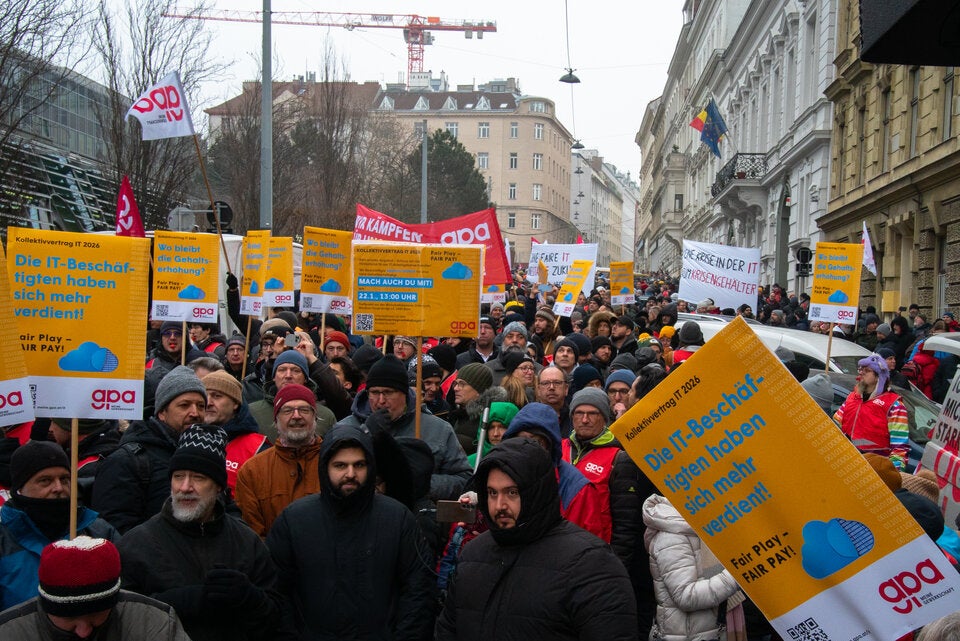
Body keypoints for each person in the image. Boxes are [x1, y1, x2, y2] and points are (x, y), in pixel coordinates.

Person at [435, 438, 638, 641]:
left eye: (512, 493)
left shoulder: (591, 564)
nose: (499, 505)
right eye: (492, 493)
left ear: (536, 491)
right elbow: (447, 630)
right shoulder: (473, 554)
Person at [267, 423, 437, 640]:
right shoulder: (294, 520)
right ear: (325, 467)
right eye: (340, 465)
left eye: (359, 465)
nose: (350, 474)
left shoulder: (398, 519)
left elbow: (418, 592)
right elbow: (278, 592)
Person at [119, 425, 284, 641]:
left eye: (198, 478)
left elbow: (274, 618)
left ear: (218, 487)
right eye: (178, 476)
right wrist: (173, 603)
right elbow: (118, 620)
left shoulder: (246, 542)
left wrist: (250, 598)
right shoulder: (137, 543)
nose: (185, 487)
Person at [0, 441, 120, 610]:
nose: (58, 488)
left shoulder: (98, 530)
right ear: (21, 487)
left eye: (64, 479)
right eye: (45, 480)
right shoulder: (4, 537)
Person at [334, 355, 472, 501]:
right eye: (374, 393)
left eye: (388, 392)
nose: (381, 401)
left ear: (404, 394)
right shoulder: (345, 428)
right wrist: (365, 435)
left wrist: (422, 484)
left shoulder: (438, 429)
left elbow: (464, 480)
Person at [0, 536, 191, 640]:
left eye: (95, 616)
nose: (84, 631)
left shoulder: (155, 624)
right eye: (69, 617)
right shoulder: (8, 632)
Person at [92, 366, 207, 534]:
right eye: (184, 405)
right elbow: (115, 529)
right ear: (162, 412)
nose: (195, 413)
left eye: (201, 406)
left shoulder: (206, 454)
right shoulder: (128, 460)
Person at [643, 494, 739, 641]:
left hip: (702, 632)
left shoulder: (701, 530)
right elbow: (685, 596)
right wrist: (737, 576)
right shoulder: (672, 538)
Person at [235, 384, 323, 537]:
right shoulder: (252, 471)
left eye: (304, 410)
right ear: (276, 420)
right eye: (287, 410)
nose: (296, 416)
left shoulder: (334, 463)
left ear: (315, 417)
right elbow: (251, 534)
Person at [833, 354, 910, 470]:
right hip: (842, 463)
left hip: (872, 469)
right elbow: (835, 428)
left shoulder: (895, 406)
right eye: (860, 369)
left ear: (879, 376)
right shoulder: (852, 397)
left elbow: (900, 449)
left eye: (867, 370)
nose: (861, 373)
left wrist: (891, 474)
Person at [201, 371, 269, 496]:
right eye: (205, 396)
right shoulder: (188, 438)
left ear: (236, 403)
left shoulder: (258, 448)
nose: (208, 402)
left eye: (217, 396)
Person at [246, 350, 338, 441]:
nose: (288, 375)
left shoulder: (325, 416)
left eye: (295, 371)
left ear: (305, 378)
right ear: (274, 377)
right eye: (282, 370)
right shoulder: (253, 412)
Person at [466, 401, 519, 467]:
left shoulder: (521, 462)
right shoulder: (469, 463)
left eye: (502, 427)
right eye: (491, 427)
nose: (495, 433)